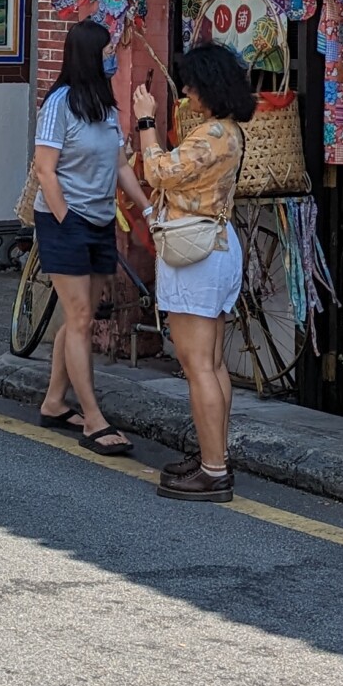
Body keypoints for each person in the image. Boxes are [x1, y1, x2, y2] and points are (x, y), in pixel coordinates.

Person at [136, 41, 252, 503]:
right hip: (214, 248)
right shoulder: (222, 131)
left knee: (197, 364)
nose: (185, 92)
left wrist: (146, 122)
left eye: (191, 85)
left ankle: (213, 470)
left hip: (196, 253)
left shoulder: (214, 136)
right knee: (213, 363)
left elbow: (158, 171)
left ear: (209, 87)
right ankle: (213, 455)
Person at [32, 20, 150, 459]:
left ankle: (54, 402)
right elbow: (45, 168)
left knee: (79, 318)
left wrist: (148, 209)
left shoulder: (105, 104)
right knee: (81, 318)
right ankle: (94, 419)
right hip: (66, 223)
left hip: (101, 220)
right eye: (107, 51)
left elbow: (120, 165)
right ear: (89, 54)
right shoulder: (59, 104)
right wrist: (64, 219)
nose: (112, 57)